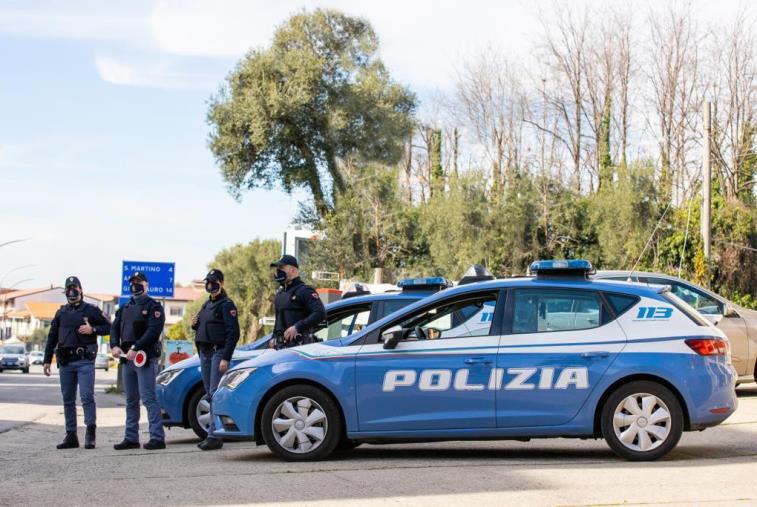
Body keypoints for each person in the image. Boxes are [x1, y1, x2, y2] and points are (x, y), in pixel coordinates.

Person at [43, 276, 112, 450]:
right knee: (68, 399)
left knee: (87, 397)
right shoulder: (61, 312)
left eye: (75, 288)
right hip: (66, 362)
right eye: (69, 288)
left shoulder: (91, 310)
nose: (72, 291)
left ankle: (90, 433)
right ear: (65, 292)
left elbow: (110, 327)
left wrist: (93, 329)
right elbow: (52, 337)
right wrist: (46, 360)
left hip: (84, 361)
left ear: (81, 290)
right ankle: (71, 435)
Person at [110, 271, 166, 450]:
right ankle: (131, 438)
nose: (135, 285)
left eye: (139, 281)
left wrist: (136, 347)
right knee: (131, 400)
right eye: (133, 282)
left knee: (149, 398)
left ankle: (157, 437)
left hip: (144, 359)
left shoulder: (154, 307)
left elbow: (153, 331)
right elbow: (114, 329)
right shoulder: (125, 308)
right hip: (127, 360)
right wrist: (114, 346)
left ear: (147, 285)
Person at [191, 268, 240, 451]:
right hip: (205, 352)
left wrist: (225, 357)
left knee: (214, 393)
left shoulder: (227, 304)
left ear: (221, 283)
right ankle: (213, 433)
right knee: (209, 393)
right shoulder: (206, 304)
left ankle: (215, 435)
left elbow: (233, 333)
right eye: (208, 281)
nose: (210, 285)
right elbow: (203, 328)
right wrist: (195, 325)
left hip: (218, 352)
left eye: (213, 281)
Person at [270, 255, 326, 349]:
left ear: (293, 270)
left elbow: (320, 313)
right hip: (279, 348)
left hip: (300, 347)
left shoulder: (305, 291)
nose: (278, 271)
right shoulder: (280, 294)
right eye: (278, 268)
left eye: (282, 268)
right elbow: (278, 321)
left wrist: (297, 327)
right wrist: (273, 338)